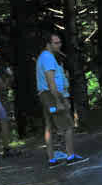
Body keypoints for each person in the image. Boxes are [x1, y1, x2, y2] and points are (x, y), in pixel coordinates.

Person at [36, 33, 86, 167]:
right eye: (56, 43)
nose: (59, 45)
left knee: (50, 127)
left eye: (60, 42)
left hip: (47, 95)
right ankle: (70, 157)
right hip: (52, 96)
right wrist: (59, 100)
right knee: (68, 126)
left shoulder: (46, 57)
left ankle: (52, 159)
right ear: (48, 44)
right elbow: (50, 81)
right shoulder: (47, 57)